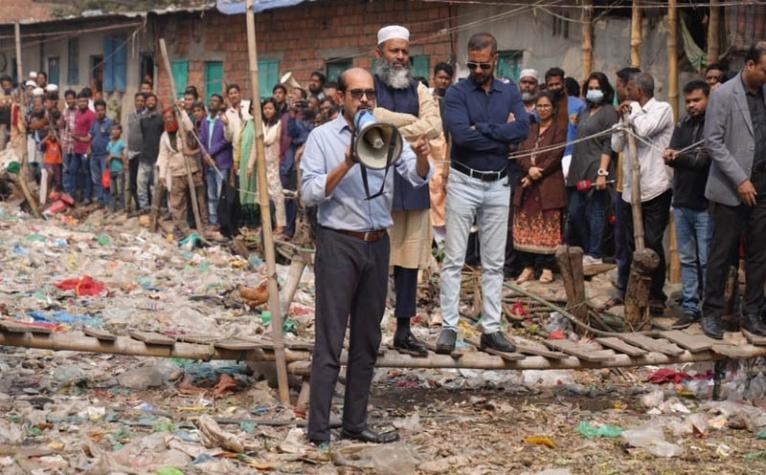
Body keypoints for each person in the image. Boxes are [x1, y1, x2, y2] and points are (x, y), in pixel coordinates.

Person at [301, 67, 431, 447]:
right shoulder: (321, 138)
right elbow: (310, 194)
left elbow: (416, 175)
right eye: (356, 93)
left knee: (367, 339)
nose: (363, 100)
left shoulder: (385, 134)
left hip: (377, 242)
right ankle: (319, 431)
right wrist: (347, 163)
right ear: (340, 97)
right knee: (330, 338)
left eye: (369, 93)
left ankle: (355, 423)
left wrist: (422, 157)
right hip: (339, 242)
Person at [436, 32, 529, 354]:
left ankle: (491, 328)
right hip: (464, 180)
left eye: (483, 65)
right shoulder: (457, 93)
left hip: (499, 183)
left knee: (494, 262)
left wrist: (485, 130)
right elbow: (460, 136)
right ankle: (448, 326)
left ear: (496, 60)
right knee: (454, 259)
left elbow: (522, 131)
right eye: (472, 64)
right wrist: (501, 134)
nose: (477, 70)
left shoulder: (509, 91)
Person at [371, 25, 442, 356]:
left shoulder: (420, 89)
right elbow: (371, 121)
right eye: (393, 51)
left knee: (409, 265)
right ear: (379, 54)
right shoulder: (368, 88)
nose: (400, 57)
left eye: (404, 51)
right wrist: (407, 121)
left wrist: (391, 126)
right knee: (373, 263)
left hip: (413, 185)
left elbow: (434, 125)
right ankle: (370, 331)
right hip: (377, 189)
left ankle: (403, 330)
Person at [701, 42, 766, 339]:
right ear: (750, 65)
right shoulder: (724, 94)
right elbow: (712, 142)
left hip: (762, 186)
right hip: (731, 187)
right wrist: (740, 179)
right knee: (722, 252)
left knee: (758, 253)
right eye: (764, 69)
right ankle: (712, 312)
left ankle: (752, 313)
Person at [611, 72, 674, 315]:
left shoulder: (662, 109)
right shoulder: (628, 112)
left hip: (656, 186)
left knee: (652, 242)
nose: (625, 94)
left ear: (638, 90)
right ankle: (634, 290)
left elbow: (645, 130)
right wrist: (622, 119)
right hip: (630, 190)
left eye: (628, 89)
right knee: (629, 244)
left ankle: (656, 293)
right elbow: (617, 145)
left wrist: (633, 110)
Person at [662, 80, 713, 329]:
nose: (691, 105)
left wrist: (677, 157)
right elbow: (675, 154)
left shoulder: (713, 126)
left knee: (706, 260)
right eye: (689, 101)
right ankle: (691, 307)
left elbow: (701, 162)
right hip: (682, 201)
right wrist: (671, 156)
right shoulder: (682, 124)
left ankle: (709, 308)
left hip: (705, 204)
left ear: (707, 99)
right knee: (688, 259)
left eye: (696, 100)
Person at [512, 92, 567, 284]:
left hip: (548, 184)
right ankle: (528, 268)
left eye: (546, 106)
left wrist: (537, 174)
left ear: (553, 109)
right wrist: (529, 170)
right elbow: (520, 154)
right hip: (527, 185)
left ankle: (547, 268)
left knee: (548, 225)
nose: (543, 110)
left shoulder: (559, 129)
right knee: (525, 224)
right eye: (540, 106)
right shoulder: (529, 128)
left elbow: (555, 154)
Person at [566, 72, 619, 265]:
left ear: (605, 91)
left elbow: (608, 144)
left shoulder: (609, 112)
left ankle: (596, 253)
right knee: (575, 211)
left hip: (597, 167)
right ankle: (588, 248)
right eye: (591, 88)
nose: (593, 91)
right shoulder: (584, 111)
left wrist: (602, 173)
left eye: (597, 88)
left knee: (596, 211)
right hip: (578, 166)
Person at [607, 66, 641, 308]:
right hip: (622, 185)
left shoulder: (651, 112)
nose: (617, 90)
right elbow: (616, 145)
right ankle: (622, 287)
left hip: (642, 188)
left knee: (640, 241)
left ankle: (641, 291)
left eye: (619, 85)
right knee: (622, 241)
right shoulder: (621, 113)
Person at [157, 108, 208, 236]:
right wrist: (162, 175)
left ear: (175, 118)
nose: (168, 120)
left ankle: (203, 226)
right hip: (176, 172)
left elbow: (190, 126)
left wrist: (182, 111)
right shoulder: (164, 136)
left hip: (191, 169)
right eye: (166, 118)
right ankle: (182, 228)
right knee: (177, 203)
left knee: (199, 199)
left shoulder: (184, 129)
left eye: (171, 117)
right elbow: (163, 155)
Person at [241, 98, 287, 233]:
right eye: (265, 108)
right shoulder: (260, 125)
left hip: (275, 165)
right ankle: (266, 224)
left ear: (275, 110)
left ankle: (280, 225)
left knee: (277, 196)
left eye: (270, 108)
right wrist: (250, 166)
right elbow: (256, 146)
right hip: (262, 166)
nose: (267, 111)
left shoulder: (278, 124)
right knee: (262, 196)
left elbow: (269, 140)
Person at [199, 94, 233, 230]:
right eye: (211, 101)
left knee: (220, 194)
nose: (212, 103)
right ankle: (213, 222)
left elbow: (226, 139)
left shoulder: (223, 120)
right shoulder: (204, 122)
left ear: (220, 104)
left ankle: (222, 222)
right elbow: (201, 141)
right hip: (208, 164)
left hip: (221, 163)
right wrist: (205, 155)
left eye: (215, 101)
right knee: (211, 194)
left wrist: (210, 152)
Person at [429, 62, 454, 246]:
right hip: (426, 156)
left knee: (443, 204)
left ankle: (443, 252)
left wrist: (446, 167)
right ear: (434, 78)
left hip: (445, 158)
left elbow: (452, 134)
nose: (443, 81)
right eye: (440, 78)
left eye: (447, 79)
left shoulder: (453, 101)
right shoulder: (426, 99)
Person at [545, 67, 585, 165]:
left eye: (557, 84)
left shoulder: (578, 105)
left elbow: (584, 132)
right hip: (547, 157)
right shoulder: (543, 105)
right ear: (546, 86)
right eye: (551, 85)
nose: (554, 87)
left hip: (571, 156)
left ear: (563, 83)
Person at [138, 93, 164, 211]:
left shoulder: (161, 119)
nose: (150, 102)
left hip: (157, 156)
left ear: (156, 102)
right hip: (144, 156)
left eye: (153, 100)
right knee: (141, 184)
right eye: (148, 100)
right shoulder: (142, 120)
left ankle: (155, 208)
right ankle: (144, 207)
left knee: (155, 185)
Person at [223, 83, 252, 181]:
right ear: (228, 97)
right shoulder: (228, 113)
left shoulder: (248, 105)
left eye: (235, 92)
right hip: (238, 153)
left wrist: (241, 115)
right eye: (230, 94)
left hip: (251, 149)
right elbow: (228, 138)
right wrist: (226, 125)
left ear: (240, 93)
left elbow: (251, 123)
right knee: (241, 182)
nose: (233, 95)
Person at [72, 92, 97, 204]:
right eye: (80, 101)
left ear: (87, 102)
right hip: (76, 148)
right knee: (73, 171)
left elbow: (93, 133)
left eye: (84, 101)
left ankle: (87, 197)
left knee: (87, 173)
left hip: (86, 148)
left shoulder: (91, 115)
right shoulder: (77, 113)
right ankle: (75, 195)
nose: (81, 103)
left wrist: (90, 147)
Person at [88, 100, 113, 207]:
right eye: (97, 110)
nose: (100, 112)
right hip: (94, 155)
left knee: (105, 180)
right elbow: (89, 138)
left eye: (102, 110)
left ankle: (108, 202)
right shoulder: (94, 123)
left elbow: (113, 139)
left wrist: (110, 154)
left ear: (105, 110)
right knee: (96, 179)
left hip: (105, 156)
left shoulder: (110, 123)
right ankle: (100, 201)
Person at [126, 92, 146, 211]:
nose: (140, 103)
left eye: (142, 101)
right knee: (132, 181)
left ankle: (143, 207)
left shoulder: (147, 116)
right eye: (138, 100)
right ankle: (136, 206)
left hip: (142, 153)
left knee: (142, 182)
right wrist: (126, 151)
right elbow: (127, 133)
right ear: (135, 101)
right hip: (131, 153)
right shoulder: (130, 115)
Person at [106, 124, 128, 211]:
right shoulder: (109, 144)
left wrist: (114, 156)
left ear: (120, 131)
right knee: (112, 191)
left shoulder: (122, 143)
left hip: (120, 170)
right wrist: (107, 160)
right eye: (113, 129)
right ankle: (113, 208)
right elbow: (108, 155)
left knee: (120, 190)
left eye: (117, 129)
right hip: (112, 170)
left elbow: (125, 157)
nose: (114, 131)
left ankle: (122, 208)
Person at [41, 133, 63, 197]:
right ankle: (48, 189)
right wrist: (48, 136)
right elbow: (41, 143)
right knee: (51, 172)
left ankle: (55, 193)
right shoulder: (48, 142)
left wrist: (56, 136)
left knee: (58, 181)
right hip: (48, 163)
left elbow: (62, 144)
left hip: (57, 163)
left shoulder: (57, 143)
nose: (53, 137)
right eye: (52, 136)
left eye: (54, 135)